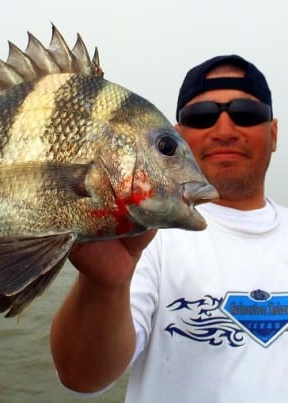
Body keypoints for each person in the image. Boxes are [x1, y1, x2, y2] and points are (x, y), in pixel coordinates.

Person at [50, 54, 288, 402]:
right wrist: (105, 285)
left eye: (245, 113)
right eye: (202, 117)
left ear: (273, 132)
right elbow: (80, 376)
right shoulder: (146, 238)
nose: (224, 131)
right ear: (178, 136)